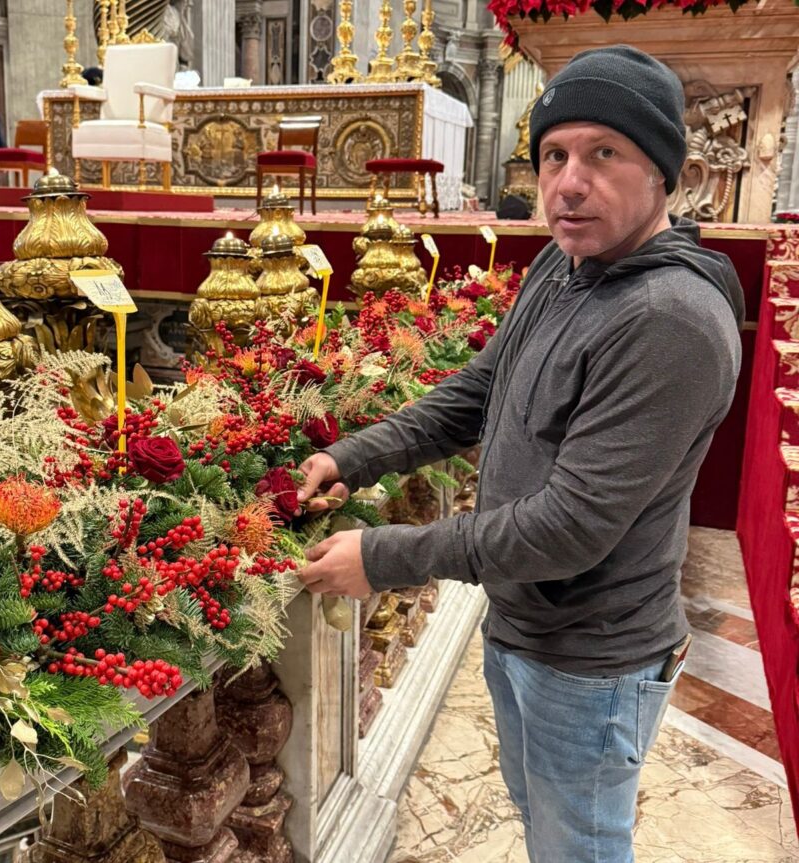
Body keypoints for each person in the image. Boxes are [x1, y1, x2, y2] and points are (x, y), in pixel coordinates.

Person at [295, 44, 743, 863]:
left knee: (579, 846)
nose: (569, 182)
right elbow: (481, 389)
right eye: (554, 155)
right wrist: (355, 455)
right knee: (542, 819)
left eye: (603, 153)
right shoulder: (566, 264)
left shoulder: (668, 318)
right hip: (524, 621)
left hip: (593, 655)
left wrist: (384, 557)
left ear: (663, 172)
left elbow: (571, 526)